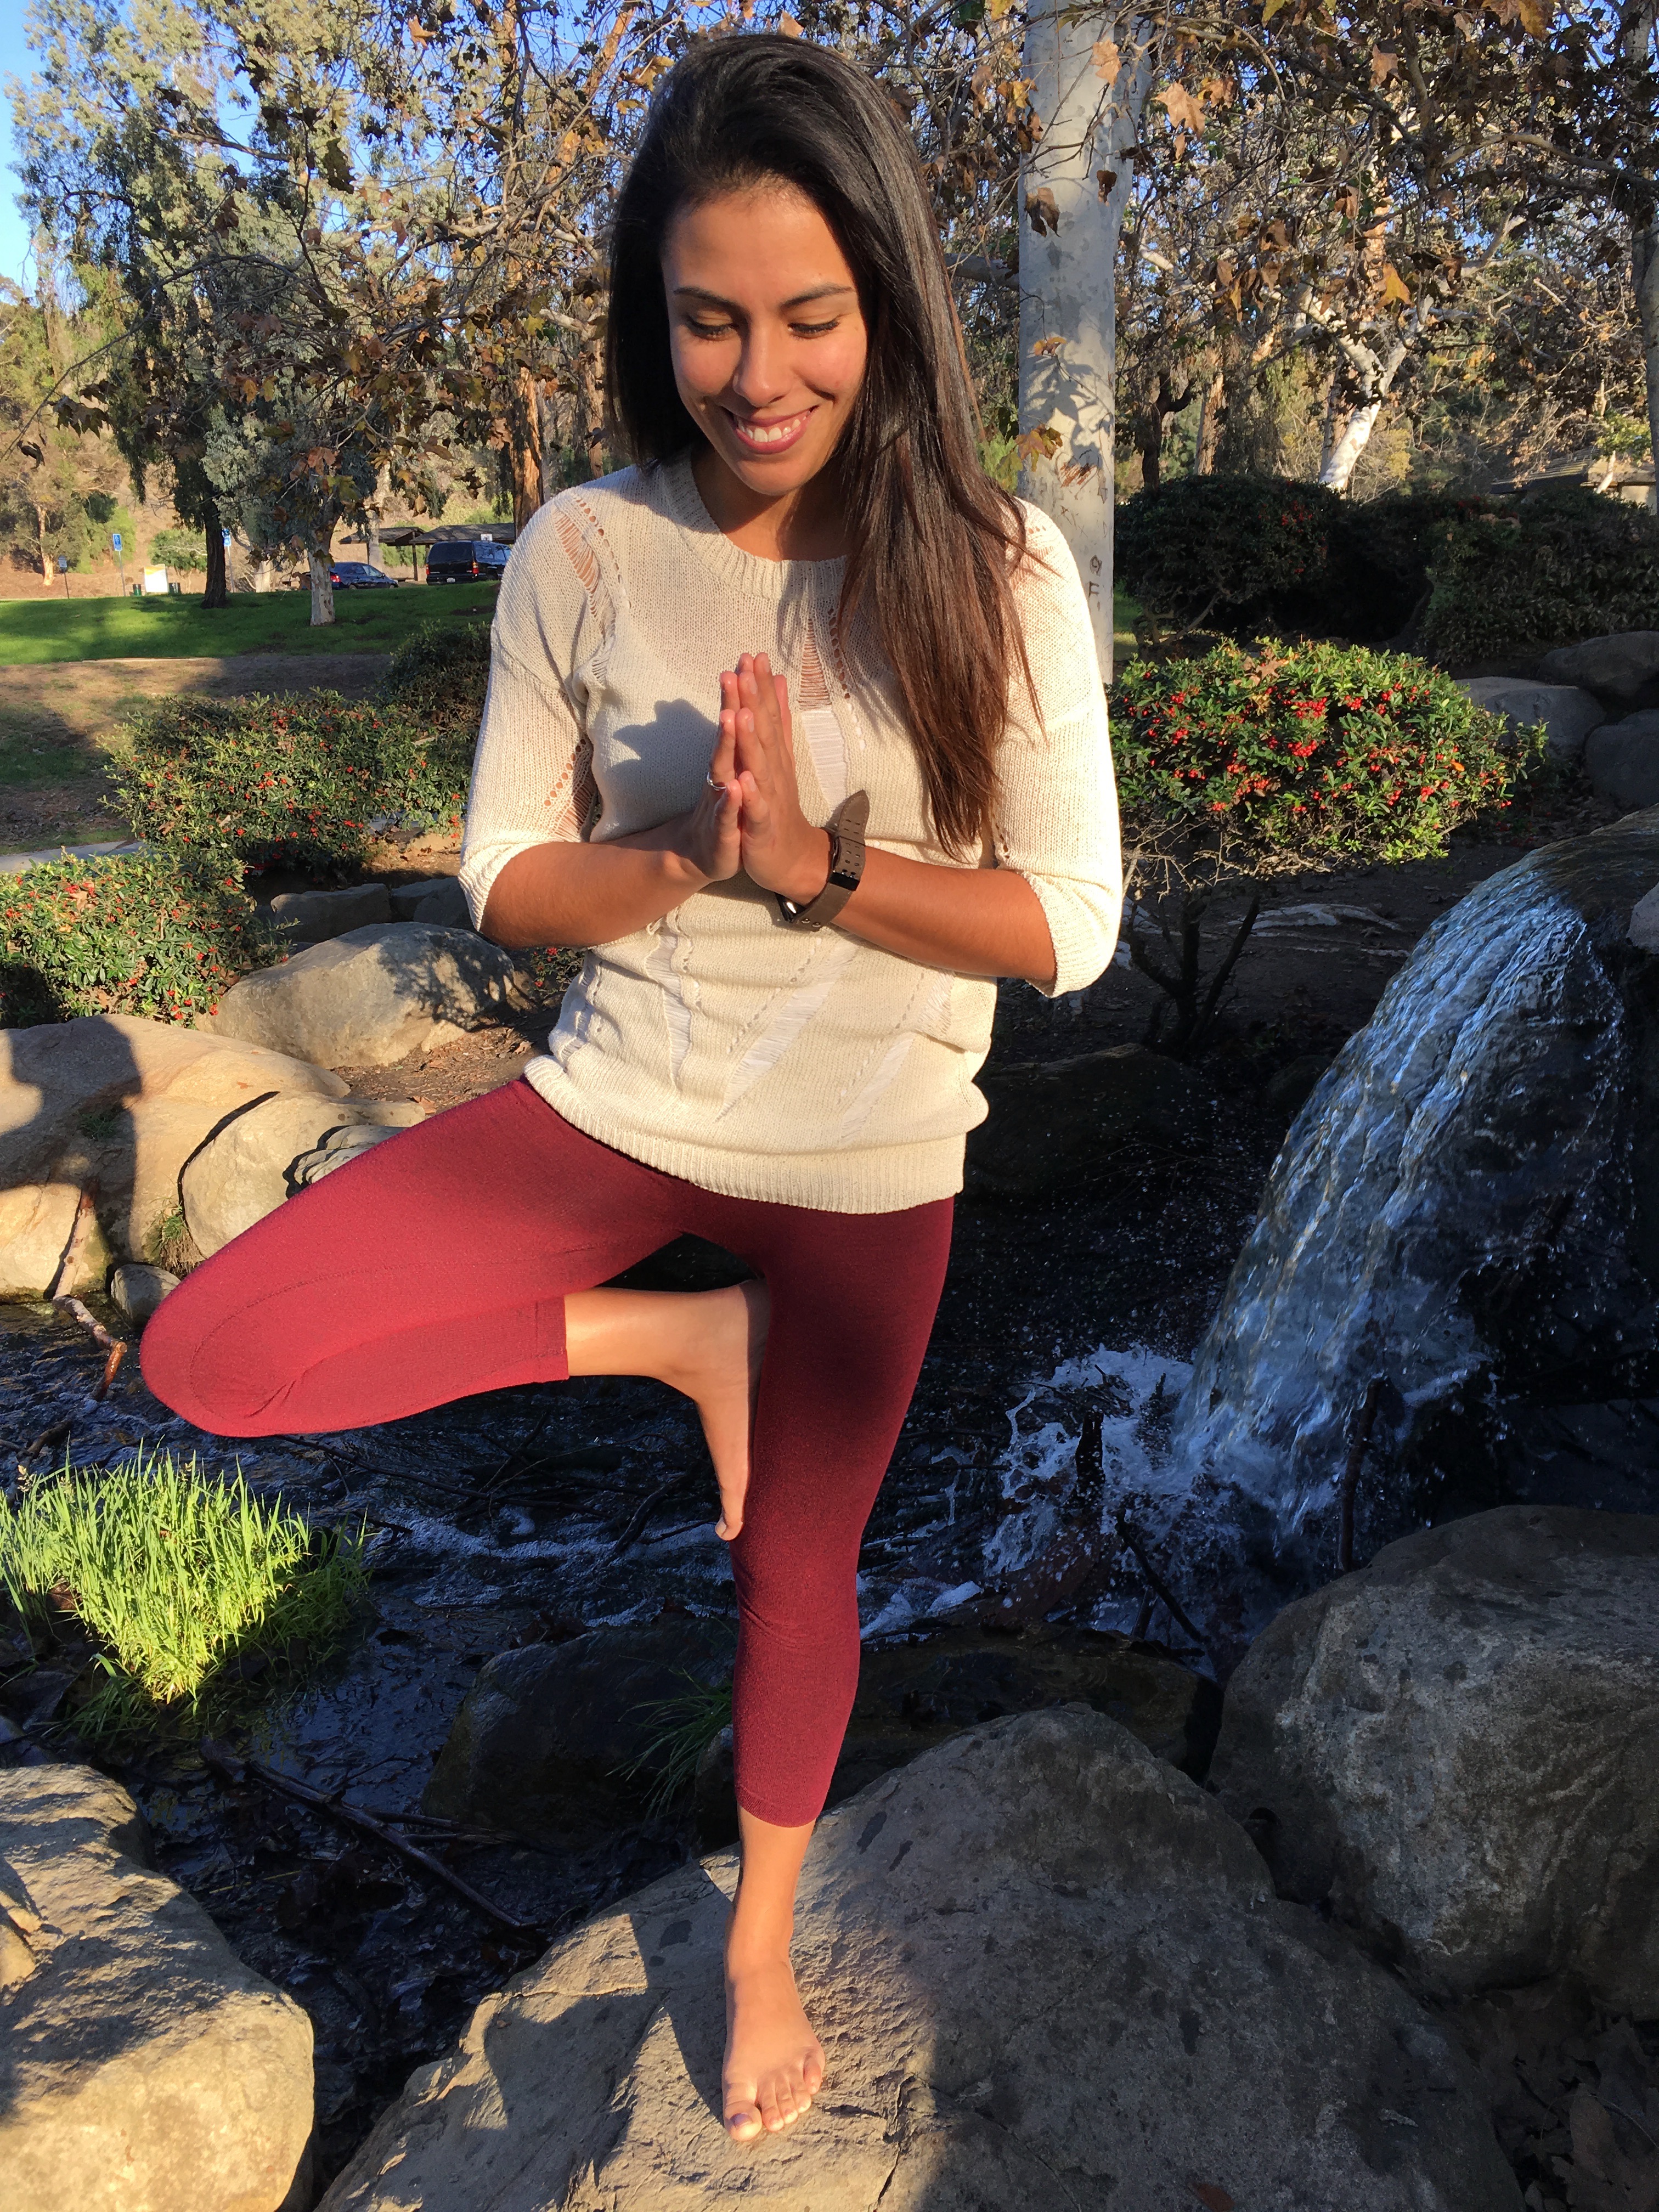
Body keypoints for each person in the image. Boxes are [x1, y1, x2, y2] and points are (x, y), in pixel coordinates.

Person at [141, 31, 1119, 2146]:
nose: (756, 373)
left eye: (807, 317)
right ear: (648, 310)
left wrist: (827, 870)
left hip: (868, 1172)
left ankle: (758, 1948)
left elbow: (1073, 923)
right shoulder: (585, 549)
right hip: (617, 1106)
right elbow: (503, 871)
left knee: (797, 1572)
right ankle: (686, 1339)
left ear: (888, 305)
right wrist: (685, 857)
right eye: (706, 319)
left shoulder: (997, 563)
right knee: (218, 1356)